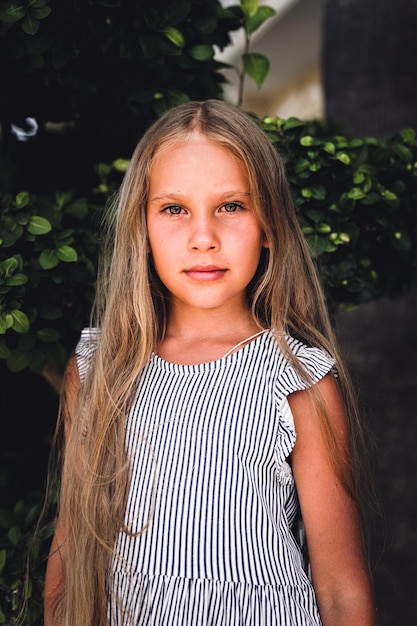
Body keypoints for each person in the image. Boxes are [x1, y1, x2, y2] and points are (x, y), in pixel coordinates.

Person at [43, 99, 378, 625]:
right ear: (142, 227)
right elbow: (69, 554)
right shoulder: (98, 370)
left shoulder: (301, 380)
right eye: (174, 209)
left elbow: (341, 591)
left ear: (269, 224)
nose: (204, 238)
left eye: (232, 206)